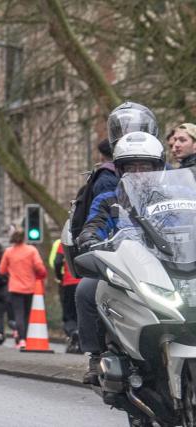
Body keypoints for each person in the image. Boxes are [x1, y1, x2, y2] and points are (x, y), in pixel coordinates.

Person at [74, 101, 160, 384]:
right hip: (125, 265)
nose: (139, 171)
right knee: (86, 290)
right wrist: (92, 242)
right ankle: (96, 355)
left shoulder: (172, 190)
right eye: (131, 166)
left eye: (144, 166)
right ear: (121, 170)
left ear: (157, 166)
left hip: (166, 265)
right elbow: (93, 226)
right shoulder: (109, 197)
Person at [0, 229, 47, 349]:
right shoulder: (32, 250)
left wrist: (11, 272)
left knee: (18, 314)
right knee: (27, 314)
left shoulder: (8, 252)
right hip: (30, 287)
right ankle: (25, 337)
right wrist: (40, 274)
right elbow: (39, 267)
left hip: (15, 287)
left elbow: (1, 270)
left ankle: (21, 340)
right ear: (24, 237)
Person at [53, 240, 81, 352]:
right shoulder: (89, 238)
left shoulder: (65, 241)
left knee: (69, 314)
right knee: (82, 313)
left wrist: (59, 277)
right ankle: (81, 339)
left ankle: (73, 332)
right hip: (86, 282)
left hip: (69, 283)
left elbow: (57, 261)